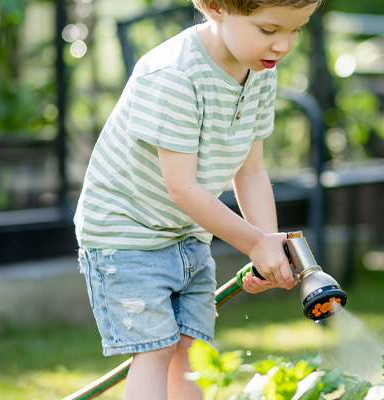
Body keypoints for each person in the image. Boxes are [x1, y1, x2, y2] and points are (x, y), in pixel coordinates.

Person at [73, 0, 321, 398]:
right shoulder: (174, 74)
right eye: (269, 30)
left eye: (297, 29)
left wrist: (268, 244)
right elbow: (182, 187)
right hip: (126, 233)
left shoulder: (259, 71)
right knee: (155, 350)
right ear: (215, 6)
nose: (284, 46)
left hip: (186, 232)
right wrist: (255, 242)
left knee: (192, 347)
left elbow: (251, 169)